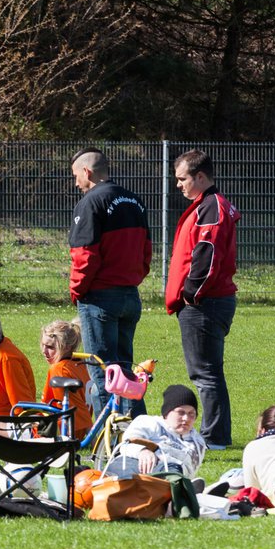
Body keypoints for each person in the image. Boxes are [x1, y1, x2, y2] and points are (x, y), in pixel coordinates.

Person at [68, 147, 152, 419]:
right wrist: (132, 279)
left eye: (75, 176)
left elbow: (84, 255)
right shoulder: (135, 200)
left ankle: (108, 438)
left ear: (87, 172)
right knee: (126, 370)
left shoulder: (91, 202)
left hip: (100, 297)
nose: (76, 183)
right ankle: (137, 430)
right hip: (130, 295)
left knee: (103, 371)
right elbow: (146, 251)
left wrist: (77, 290)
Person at [165, 150, 240, 449]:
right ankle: (215, 434)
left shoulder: (211, 208)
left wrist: (190, 295)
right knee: (207, 372)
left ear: (200, 176)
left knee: (206, 373)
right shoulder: (207, 205)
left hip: (204, 303)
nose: (179, 185)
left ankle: (215, 437)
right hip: (205, 301)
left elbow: (206, 256)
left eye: (182, 179)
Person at [113, 384, 207, 478]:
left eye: (191, 413)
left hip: (164, 474)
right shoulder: (149, 422)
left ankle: (183, 488)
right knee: (122, 471)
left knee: (172, 470)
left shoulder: (198, 443)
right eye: (180, 412)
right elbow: (126, 443)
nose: (186, 418)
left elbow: (189, 470)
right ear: (166, 413)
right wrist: (143, 451)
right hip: (133, 462)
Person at [39, 319, 92, 436]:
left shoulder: (59, 370)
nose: (44, 351)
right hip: (80, 431)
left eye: (50, 347)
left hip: (61, 431)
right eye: (43, 345)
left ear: (67, 347)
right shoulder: (82, 363)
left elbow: (76, 411)